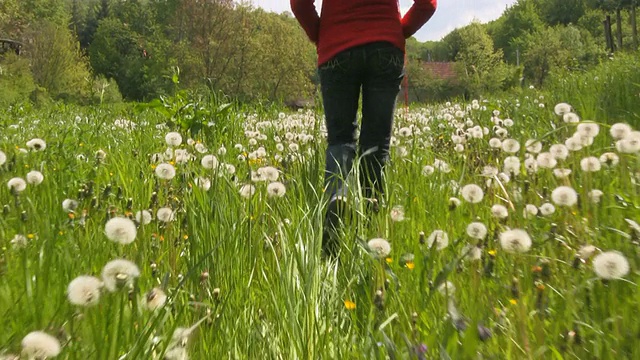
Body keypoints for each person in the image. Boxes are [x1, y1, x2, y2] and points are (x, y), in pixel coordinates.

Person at [290, 0, 437, 256]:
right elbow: (428, 3)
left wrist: (319, 33)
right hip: (385, 47)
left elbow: (299, 3)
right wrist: (399, 29)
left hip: (336, 48)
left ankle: (337, 200)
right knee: (376, 145)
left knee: (340, 141)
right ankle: (371, 231)